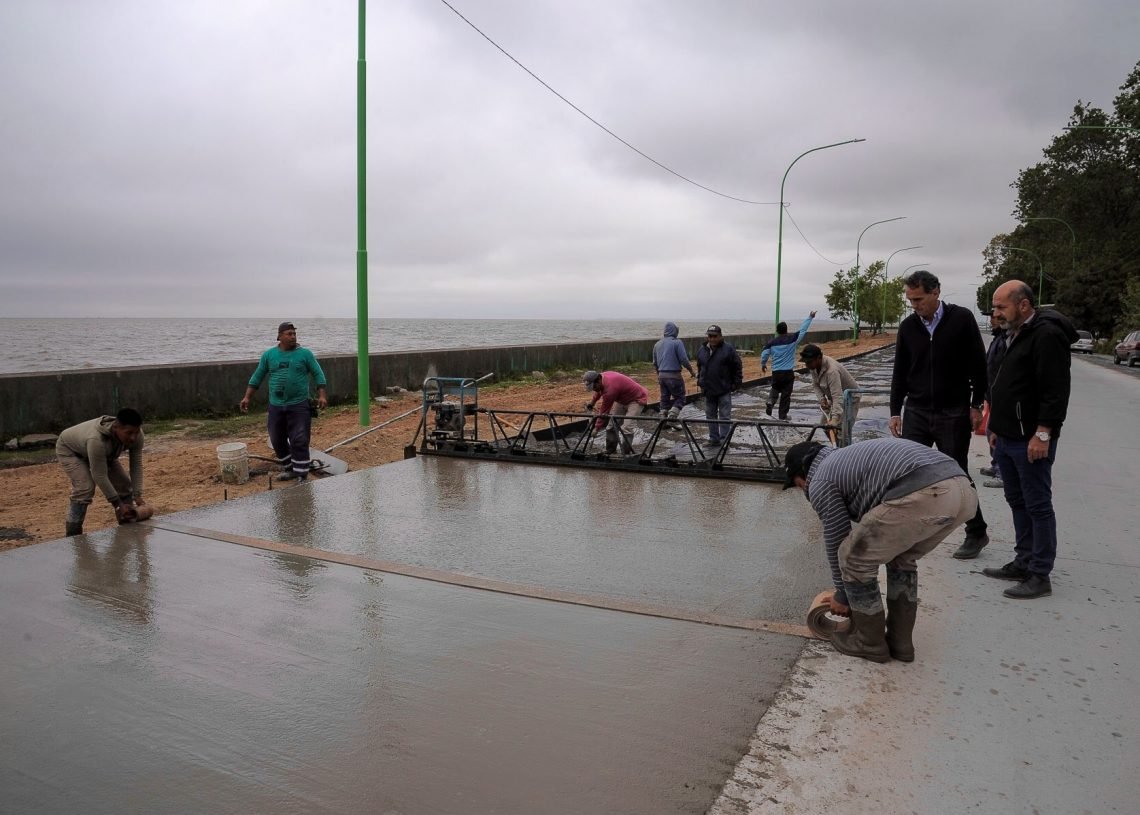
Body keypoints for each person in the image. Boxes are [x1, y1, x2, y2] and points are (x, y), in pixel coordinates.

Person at [784, 437, 977, 663]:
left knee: (853, 557)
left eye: (798, 484)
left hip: (926, 490)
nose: (803, 491)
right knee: (900, 558)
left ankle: (869, 642)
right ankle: (900, 642)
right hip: (963, 492)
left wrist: (843, 594)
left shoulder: (820, 479)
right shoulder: (844, 460)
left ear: (803, 472)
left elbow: (837, 535)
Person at [983, 281, 1076, 599]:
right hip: (1006, 435)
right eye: (994, 307)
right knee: (1017, 500)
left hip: (1030, 439)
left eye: (1000, 307)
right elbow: (999, 384)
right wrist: (994, 426)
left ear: (1023, 305)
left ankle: (1040, 574)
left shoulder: (1046, 336)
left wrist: (1043, 433)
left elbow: (1055, 391)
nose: (995, 313)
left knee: (1037, 505)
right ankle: (1023, 561)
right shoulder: (1009, 334)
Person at [889, 270, 990, 559]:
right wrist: (896, 410)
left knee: (956, 473)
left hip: (952, 411)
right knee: (911, 473)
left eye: (919, 299)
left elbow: (978, 364)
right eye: (910, 300)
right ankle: (910, 532)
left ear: (936, 292)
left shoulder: (961, 319)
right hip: (918, 410)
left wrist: (976, 404)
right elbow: (900, 371)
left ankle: (976, 531)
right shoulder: (908, 327)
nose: (914, 305)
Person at [240, 321, 329, 481]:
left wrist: (322, 395)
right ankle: (290, 468)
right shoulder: (269, 355)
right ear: (279, 336)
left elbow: (318, 374)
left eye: (294, 333)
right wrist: (247, 397)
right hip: (276, 405)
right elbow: (257, 376)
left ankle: (302, 473)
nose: (293, 336)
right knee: (276, 438)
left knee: (299, 439)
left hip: (299, 404)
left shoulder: (305, 354)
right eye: (289, 334)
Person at [56, 408, 146, 536]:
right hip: (71, 451)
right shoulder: (97, 440)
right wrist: (118, 504)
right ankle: (73, 534)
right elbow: (99, 475)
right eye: (129, 433)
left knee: (124, 485)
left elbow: (136, 464)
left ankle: (127, 523)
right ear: (116, 427)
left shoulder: (137, 436)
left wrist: (137, 495)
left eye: (136, 432)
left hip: (106, 454)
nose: (133, 437)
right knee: (85, 488)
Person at [760, 311, 816, 419]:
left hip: (776, 372)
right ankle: (783, 415)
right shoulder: (793, 339)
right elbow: (803, 330)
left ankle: (771, 401)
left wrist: (763, 364)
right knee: (786, 395)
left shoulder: (771, 343)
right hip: (788, 372)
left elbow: (764, 354)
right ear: (786, 330)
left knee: (775, 388)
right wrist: (810, 317)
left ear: (777, 331)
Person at [696, 325, 743, 447]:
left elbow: (737, 366)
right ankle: (714, 439)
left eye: (714, 336)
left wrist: (735, 384)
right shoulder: (702, 350)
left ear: (720, 336)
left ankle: (724, 440)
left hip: (724, 389)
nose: (712, 339)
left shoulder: (728, 349)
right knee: (710, 415)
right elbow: (700, 367)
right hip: (708, 390)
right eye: (710, 336)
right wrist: (700, 381)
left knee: (724, 416)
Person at [800, 344, 861, 436]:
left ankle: (844, 448)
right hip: (835, 398)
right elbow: (815, 384)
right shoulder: (813, 367)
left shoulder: (832, 371)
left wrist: (835, 419)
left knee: (842, 432)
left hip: (850, 398)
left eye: (809, 362)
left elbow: (837, 395)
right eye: (806, 363)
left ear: (819, 358)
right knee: (825, 427)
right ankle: (836, 446)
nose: (807, 365)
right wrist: (822, 399)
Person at [584, 370, 649, 454]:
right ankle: (610, 450)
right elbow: (599, 391)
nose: (594, 389)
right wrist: (592, 402)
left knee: (627, 427)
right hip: (622, 399)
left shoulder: (610, 389)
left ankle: (626, 453)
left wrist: (596, 428)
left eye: (594, 387)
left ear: (598, 380)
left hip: (636, 399)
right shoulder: (602, 378)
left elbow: (604, 411)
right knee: (612, 425)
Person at [980, 310, 1008, 489]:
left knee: (997, 433)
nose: (992, 320)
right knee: (991, 432)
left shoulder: (1006, 339)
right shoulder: (998, 337)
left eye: (995, 317)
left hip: (1002, 397)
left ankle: (1002, 473)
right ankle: (995, 464)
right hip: (992, 394)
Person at [652, 322, 696, 427]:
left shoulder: (657, 344)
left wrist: (659, 375)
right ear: (675, 331)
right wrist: (691, 371)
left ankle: (662, 420)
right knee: (680, 398)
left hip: (662, 375)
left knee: (664, 398)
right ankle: (672, 419)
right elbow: (683, 359)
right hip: (674, 375)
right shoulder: (677, 342)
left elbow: (655, 363)